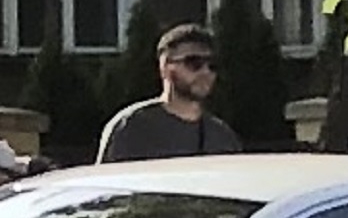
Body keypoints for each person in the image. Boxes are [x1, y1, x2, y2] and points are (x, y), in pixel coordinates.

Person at [96, 23, 244, 162]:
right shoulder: (131, 128)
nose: (205, 72)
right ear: (165, 68)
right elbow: (105, 185)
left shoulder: (223, 137)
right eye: (194, 63)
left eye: (212, 65)